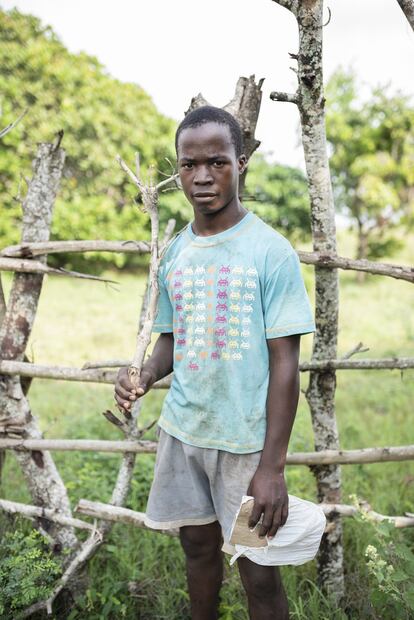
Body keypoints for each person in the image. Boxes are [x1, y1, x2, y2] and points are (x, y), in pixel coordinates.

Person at [114, 106, 316, 620]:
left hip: (245, 450)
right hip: (184, 436)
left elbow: (286, 366)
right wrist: (142, 375)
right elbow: (171, 343)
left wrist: (271, 467)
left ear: (241, 163)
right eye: (189, 164)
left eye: (217, 162)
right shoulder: (176, 252)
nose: (202, 177)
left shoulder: (270, 252)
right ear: (178, 168)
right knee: (198, 550)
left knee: (256, 568)